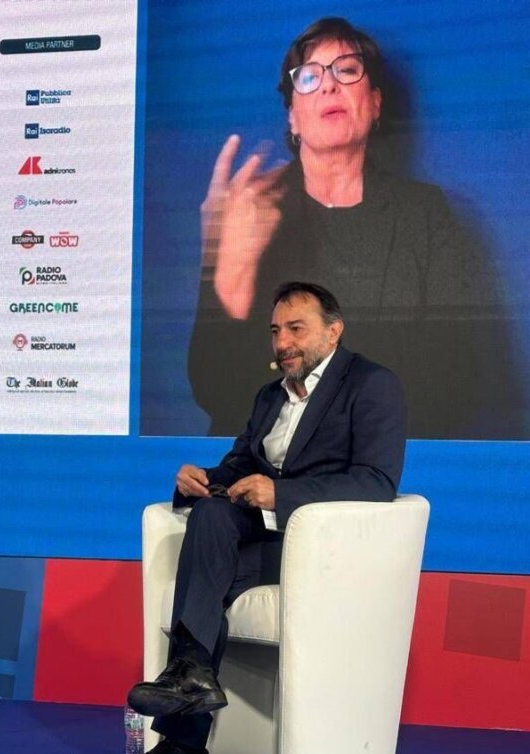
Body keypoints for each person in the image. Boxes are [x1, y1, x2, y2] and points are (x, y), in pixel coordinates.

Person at [104, 282, 406, 754]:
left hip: (325, 554)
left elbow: (376, 482)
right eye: (275, 331)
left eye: (296, 329)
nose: (283, 342)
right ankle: (192, 683)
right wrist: (200, 480)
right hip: (264, 545)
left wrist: (281, 494)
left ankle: (183, 746)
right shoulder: (270, 397)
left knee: (205, 582)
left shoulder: (371, 384)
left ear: (333, 331)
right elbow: (238, 467)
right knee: (210, 515)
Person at [187, 16, 524, 439]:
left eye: (346, 70)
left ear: (375, 104)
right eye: (309, 76)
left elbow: (457, 381)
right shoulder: (247, 210)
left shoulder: (426, 214)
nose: (329, 85)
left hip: (380, 465)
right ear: (293, 117)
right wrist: (230, 270)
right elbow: (215, 392)